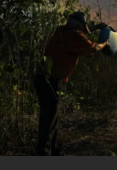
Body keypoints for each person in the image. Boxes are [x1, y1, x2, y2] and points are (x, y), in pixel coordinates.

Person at [34, 12, 109, 156]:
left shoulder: (62, 31)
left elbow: (81, 32)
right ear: (79, 26)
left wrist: (98, 26)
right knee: (49, 119)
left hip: (44, 79)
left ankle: (53, 151)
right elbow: (93, 48)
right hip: (50, 80)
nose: (84, 30)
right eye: (83, 27)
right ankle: (43, 154)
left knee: (51, 117)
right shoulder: (74, 35)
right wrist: (105, 44)